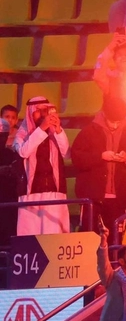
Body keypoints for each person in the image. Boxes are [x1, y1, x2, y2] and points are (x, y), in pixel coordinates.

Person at [72, 95, 126, 233]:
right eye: (113, 121)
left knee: (115, 243)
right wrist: (101, 156)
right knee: (90, 238)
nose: (115, 125)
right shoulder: (89, 131)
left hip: (120, 198)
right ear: (105, 115)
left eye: (119, 121)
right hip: (92, 198)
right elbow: (77, 158)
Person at [13, 95, 70, 234]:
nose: (42, 114)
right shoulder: (21, 135)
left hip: (54, 192)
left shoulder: (55, 133)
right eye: (38, 110)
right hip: (30, 193)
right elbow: (23, 152)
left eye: (45, 110)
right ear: (30, 112)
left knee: (55, 236)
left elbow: (66, 153)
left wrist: (58, 130)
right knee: (31, 237)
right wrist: (42, 129)